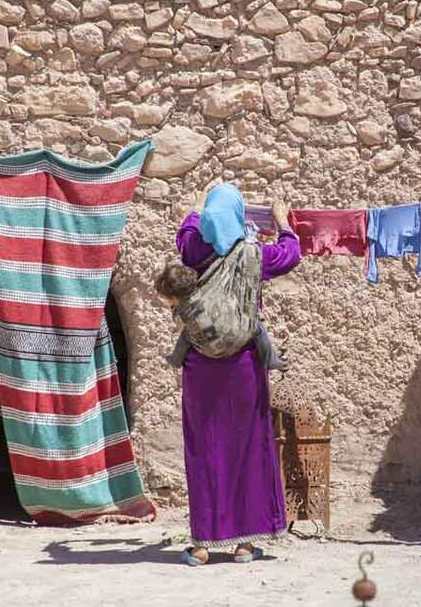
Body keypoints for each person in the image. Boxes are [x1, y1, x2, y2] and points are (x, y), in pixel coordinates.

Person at [173, 182, 301, 566]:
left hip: (199, 366)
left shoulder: (195, 248)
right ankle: (246, 545)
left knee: (204, 449)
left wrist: (197, 207)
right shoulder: (252, 255)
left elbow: (185, 233)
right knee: (248, 447)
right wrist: (283, 222)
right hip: (243, 364)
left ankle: (201, 546)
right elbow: (291, 254)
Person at [155, 263, 288, 371]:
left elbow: (183, 322)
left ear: (173, 297)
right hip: (235, 341)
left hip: (209, 351)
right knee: (256, 325)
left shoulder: (180, 312)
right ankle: (271, 360)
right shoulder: (207, 292)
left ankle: (176, 359)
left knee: (186, 335)